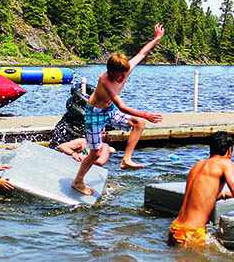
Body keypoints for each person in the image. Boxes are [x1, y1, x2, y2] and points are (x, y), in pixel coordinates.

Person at [71, 23, 165, 196]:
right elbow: (121, 105)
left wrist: (157, 38)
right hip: (95, 115)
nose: (123, 78)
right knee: (94, 154)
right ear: (111, 71)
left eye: (125, 74)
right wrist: (147, 114)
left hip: (110, 110)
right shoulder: (105, 80)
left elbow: (141, 54)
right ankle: (78, 181)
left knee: (139, 123)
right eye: (120, 75)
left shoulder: (124, 69)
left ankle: (126, 160)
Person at [168, 131, 234, 247]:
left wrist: (223, 195)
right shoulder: (225, 163)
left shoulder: (197, 165)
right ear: (229, 150)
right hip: (192, 232)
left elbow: (198, 197)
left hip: (175, 228)